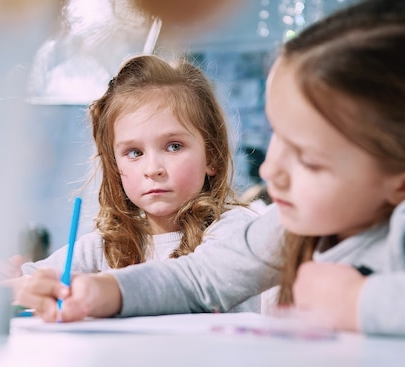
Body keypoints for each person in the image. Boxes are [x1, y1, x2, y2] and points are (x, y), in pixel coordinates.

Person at [20, 0, 405, 340]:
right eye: (280, 135)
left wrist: (358, 304)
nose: (276, 168)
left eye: (309, 159)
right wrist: (106, 292)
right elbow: (198, 278)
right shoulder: (287, 228)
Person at [14, 54, 260, 316]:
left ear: (211, 156)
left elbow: (198, 282)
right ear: (115, 165)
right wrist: (20, 284)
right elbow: (31, 283)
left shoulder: (236, 231)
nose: (153, 169)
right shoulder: (103, 248)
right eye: (134, 153)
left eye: (174, 146)